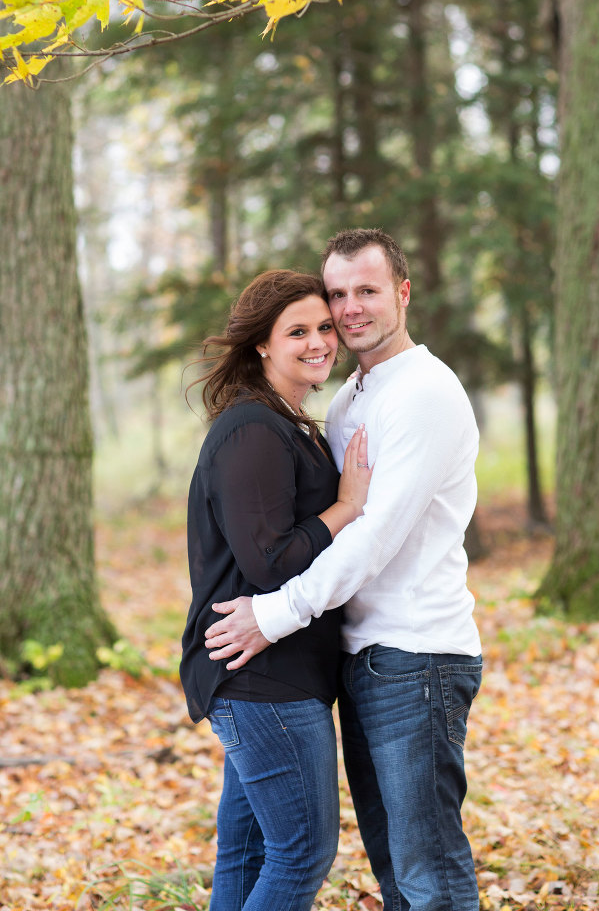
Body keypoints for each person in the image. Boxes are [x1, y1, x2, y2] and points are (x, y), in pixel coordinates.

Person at [205, 230, 483, 911]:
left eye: (368, 290)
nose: (351, 309)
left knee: (429, 874)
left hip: (416, 658)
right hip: (362, 657)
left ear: (403, 293)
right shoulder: (350, 397)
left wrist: (274, 613)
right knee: (396, 870)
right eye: (339, 295)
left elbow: (374, 534)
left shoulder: (422, 392)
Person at [179, 269, 371, 911]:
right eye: (298, 331)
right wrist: (345, 508)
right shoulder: (252, 429)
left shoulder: (286, 424)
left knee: (248, 853)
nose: (319, 341)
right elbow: (268, 562)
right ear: (262, 343)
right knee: (302, 854)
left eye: (324, 328)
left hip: (272, 673)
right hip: (263, 679)